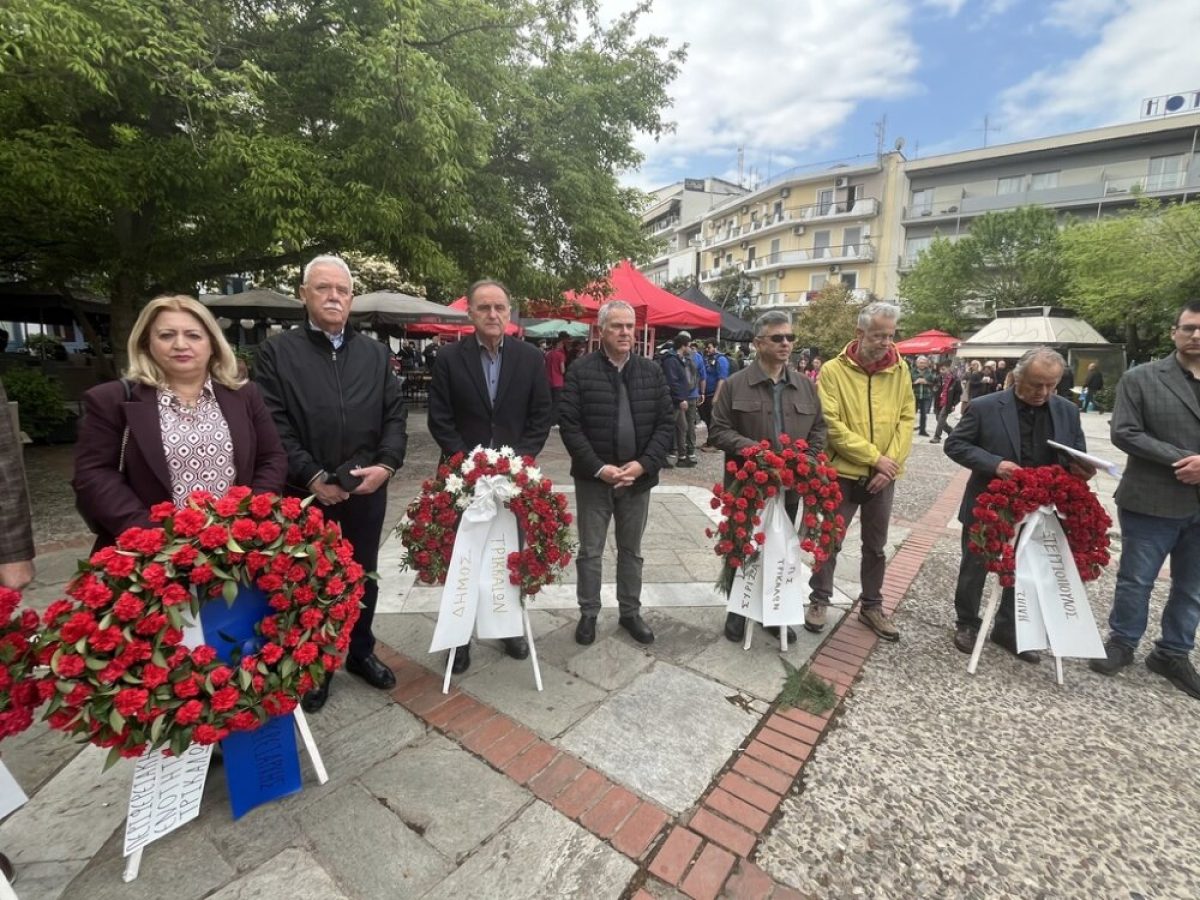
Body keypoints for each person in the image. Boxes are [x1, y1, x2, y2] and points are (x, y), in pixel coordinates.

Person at [256, 256, 408, 711]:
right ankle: (316, 664)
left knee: (364, 576)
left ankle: (360, 651)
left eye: (342, 289)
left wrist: (387, 465)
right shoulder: (277, 353)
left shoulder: (375, 354)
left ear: (351, 297)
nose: (333, 297)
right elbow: (273, 424)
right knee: (309, 580)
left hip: (366, 488)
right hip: (306, 493)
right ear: (304, 294)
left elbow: (394, 416)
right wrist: (312, 477)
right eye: (323, 288)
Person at [74, 295, 287, 549]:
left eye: (193, 335)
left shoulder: (244, 394)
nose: (180, 344)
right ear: (146, 343)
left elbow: (272, 458)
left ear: (213, 344)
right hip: (151, 551)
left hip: (234, 548)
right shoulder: (112, 400)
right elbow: (95, 475)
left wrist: (251, 516)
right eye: (166, 335)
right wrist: (150, 534)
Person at [428, 279, 552, 674]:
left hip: (514, 480)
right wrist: (471, 467)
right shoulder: (449, 358)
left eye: (499, 307)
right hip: (462, 479)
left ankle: (507, 628)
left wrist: (517, 464)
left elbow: (541, 416)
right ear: (470, 313)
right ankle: (460, 636)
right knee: (463, 557)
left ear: (509, 311)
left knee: (508, 554)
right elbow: (440, 418)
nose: (493, 314)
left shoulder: (530, 358)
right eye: (484, 307)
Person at [943, 347, 1091, 662]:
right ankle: (967, 621)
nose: (1043, 392)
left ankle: (1008, 628)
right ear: (1017, 377)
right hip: (990, 501)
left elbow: (1076, 451)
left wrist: (1081, 469)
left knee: (1026, 569)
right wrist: (995, 464)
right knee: (975, 565)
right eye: (1036, 384)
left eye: (1051, 385)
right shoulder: (985, 406)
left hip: (1040, 508)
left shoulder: (1067, 410)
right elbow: (955, 444)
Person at [1090, 301, 1200, 698]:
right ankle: (1122, 642)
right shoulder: (1142, 378)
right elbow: (1125, 432)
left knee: (1192, 587)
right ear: (1174, 332)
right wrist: (1186, 461)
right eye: (1188, 328)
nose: (1196, 336)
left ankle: (1173, 652)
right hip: (1152, 498)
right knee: (1136, 580)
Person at [559, 301, 674, 647]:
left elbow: (665, 424)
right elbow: (570, 425)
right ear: (602, 330)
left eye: (629, 326)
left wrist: (644, 464)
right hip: (594, 479)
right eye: (617, 326)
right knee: (590, 551)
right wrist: (599, 467)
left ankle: (630, 612)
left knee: (631, 551)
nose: (625, 332)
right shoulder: (580, 370)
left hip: (637, 480)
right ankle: (589, 613)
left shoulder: (651, 371)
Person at [710, 311, 827, 639]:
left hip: (789, 486)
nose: (786, 343)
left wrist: (807, 460)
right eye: (777, 338)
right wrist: (757, 453)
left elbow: (819, 429)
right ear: (758, 343)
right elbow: (718, 430)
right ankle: (738, 609)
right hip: (748, 485)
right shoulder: (735, 385)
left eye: (790, 337)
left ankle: (772, 613)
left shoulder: (805, 386)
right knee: (742, 545)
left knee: (780, 548)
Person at [807, 303, 914, 641]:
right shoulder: (833, 371)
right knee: (829, 539)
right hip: (842, 473)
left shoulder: (900, 369)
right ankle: (819, 599)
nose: (886, 343)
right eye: (879, 335)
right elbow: (830, 424)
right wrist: (874, 457)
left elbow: (906, 419)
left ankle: (871, 605)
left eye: (890, 335)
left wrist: (889, 463)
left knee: (876, 545)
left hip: (884, 476)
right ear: (860, 333)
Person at [659, 333, 696, 468]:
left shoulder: (677, 359)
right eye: (689, 346)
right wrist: (681, 399)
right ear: (683, 346)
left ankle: (682, 457)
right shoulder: (671, 360)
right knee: (668, 428)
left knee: (682, 427)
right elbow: (673, 381)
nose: (690, 348)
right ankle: (661, 457)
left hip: (677, 400)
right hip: (673, 400)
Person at [700, 341, 730, 452]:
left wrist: (716, 397)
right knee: (707, 419)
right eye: (706, 347)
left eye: (709, 347)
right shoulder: (707, 359)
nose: (707, 349)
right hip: (706, 394)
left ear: (716, 347)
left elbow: (722, 379)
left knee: (714, 421)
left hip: (714, 394)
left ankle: (716, 444)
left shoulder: (721, 360)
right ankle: (710, 441)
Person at [930, 361, 961, 444]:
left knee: (941, 418)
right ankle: (952, 432)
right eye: (940, 369)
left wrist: (954, 404)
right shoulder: (938, 378)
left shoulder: (955, 380)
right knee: (939, 419)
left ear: (949, 369)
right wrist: (935, 389)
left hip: (948, 403)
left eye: (943, 369)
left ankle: (937, 437)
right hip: (938, 401)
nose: (941, 371)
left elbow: (958, 393)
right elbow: (933, 387)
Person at [544, 332, 569, 425]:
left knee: (549, 402)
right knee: (557, 402)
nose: (563, 345)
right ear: (558, 344)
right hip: (558, 381)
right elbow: (562, 370)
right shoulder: (561, 355)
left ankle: (547, 419)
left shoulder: (548, 354)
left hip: (548, 381)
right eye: (562, 344)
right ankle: (554, 421)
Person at [911, 355, 934, 437]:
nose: (922, 364)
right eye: (920, 363)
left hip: (925, 396)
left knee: (924, 414)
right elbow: (907, 383)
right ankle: (908, 429)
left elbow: (934, 383)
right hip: (914, 395)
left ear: (926, 364)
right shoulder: (912, 372)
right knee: (911, 413)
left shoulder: (929, 372)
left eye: (924, 363)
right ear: (917, 363)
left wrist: (927, 382)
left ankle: (922, 430)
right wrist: (915, 382)